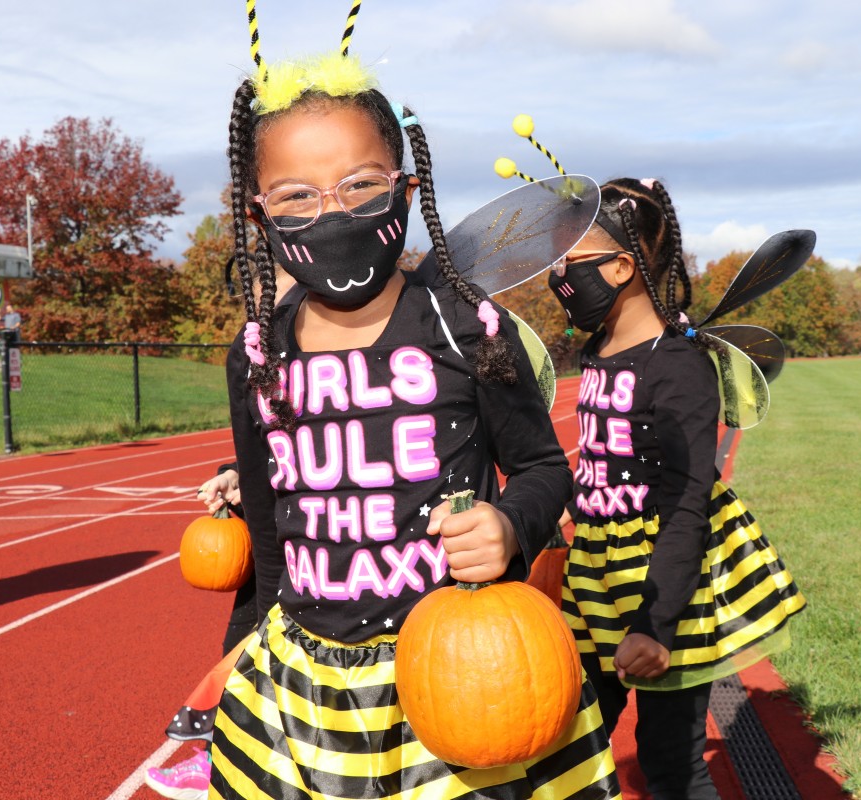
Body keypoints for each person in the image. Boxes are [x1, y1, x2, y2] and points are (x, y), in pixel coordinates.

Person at [163, 24, 621, 800]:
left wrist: (511, 525)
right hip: (303, 685)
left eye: (361, 184)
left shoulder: (467, 326)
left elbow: (545, 469)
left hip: (461, 672)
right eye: (297, 195)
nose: (331, 212)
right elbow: (271, 543)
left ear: (407, 191)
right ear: (259, 210)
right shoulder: (256, 355)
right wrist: (237, 652)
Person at [549, 179, 806, 800]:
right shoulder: (597, 348)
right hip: (598, 573)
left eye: (571, 260)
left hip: (667, 579)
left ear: (620, 266)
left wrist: (656, 626)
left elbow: (689, 500)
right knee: (572, 742)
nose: (558, 276)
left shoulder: (678, 364)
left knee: (670, 763)